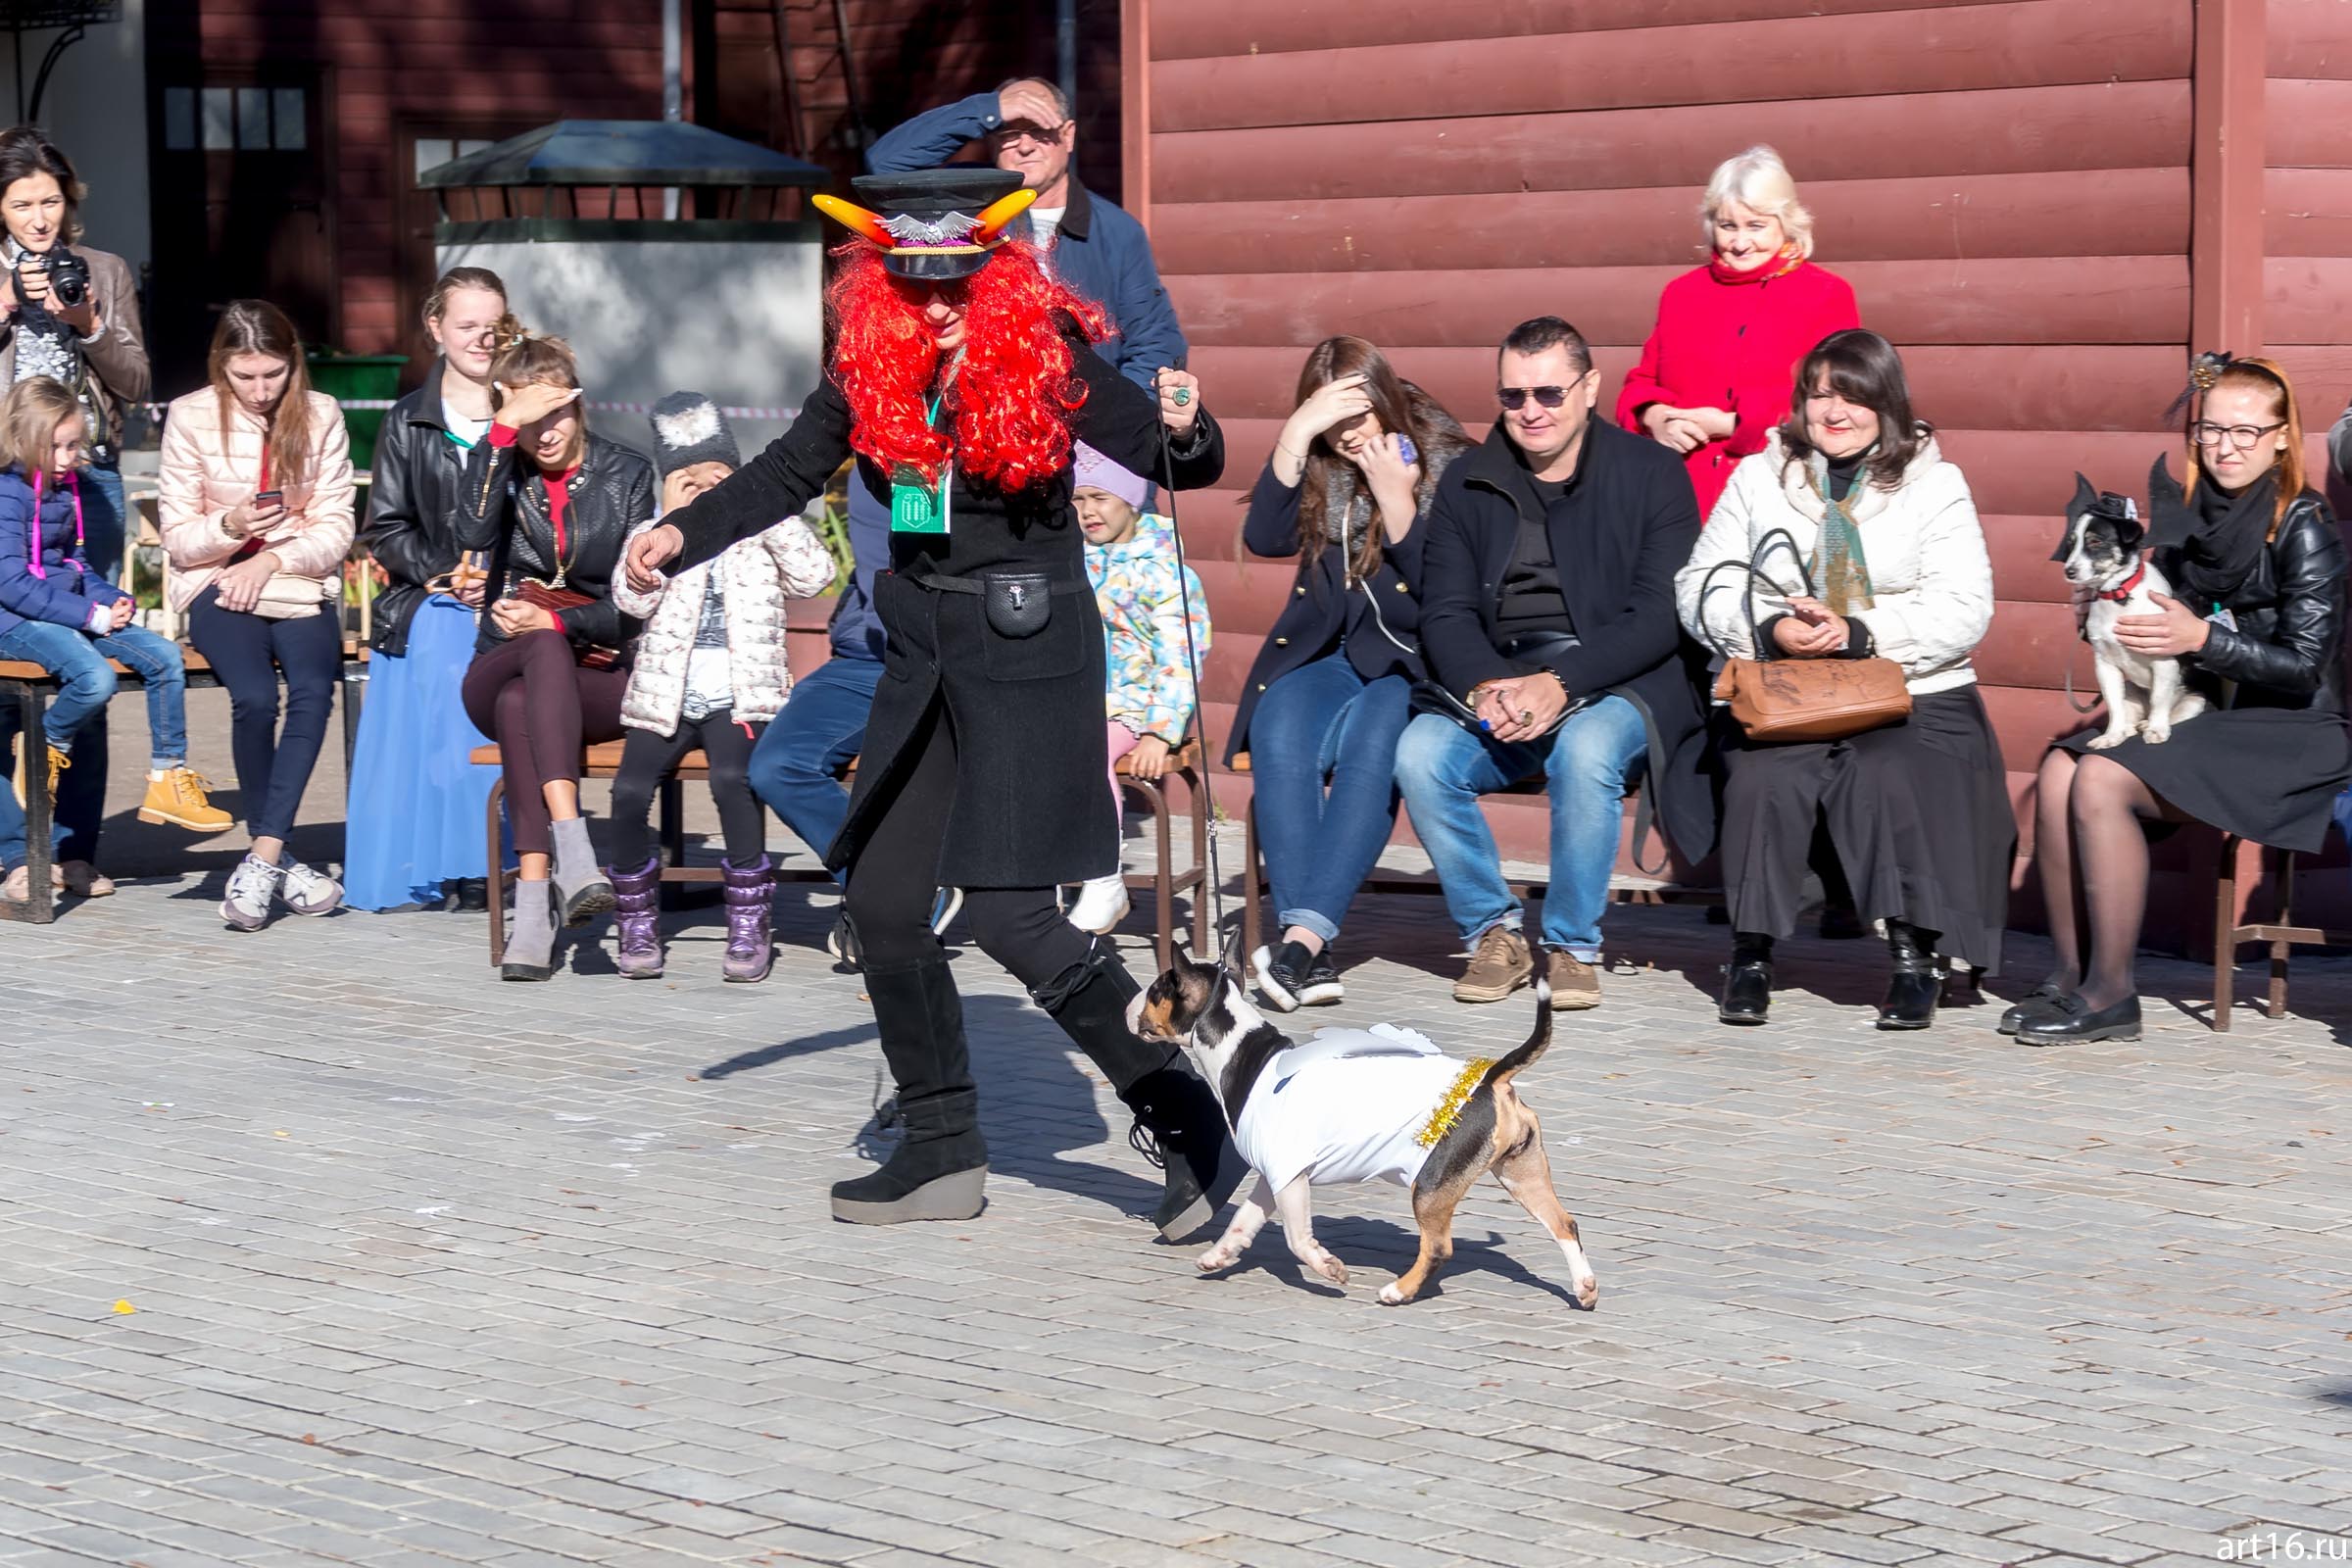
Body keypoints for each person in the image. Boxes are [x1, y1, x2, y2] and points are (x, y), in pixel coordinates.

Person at [626, 168, 1235, 1237]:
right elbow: (781, 472)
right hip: (921, 665)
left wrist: (1186, 426)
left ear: (995, 276)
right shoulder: (872, 367)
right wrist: (679, 538)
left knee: (1006, 910)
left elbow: (1176, 452)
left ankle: (1191, 1126)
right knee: (885, 903)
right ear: (884, 288)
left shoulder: (1046, 358)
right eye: (916, 286)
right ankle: (943, 1146)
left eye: (959, 282)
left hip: (1030, 659)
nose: (940, 304)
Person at [1677, 329, 2008, 1029]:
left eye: (1850, 395)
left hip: (1908, 689)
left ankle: (1916, 956)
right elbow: (1700, 583)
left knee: (1888, 771)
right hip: (1789, 690)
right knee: (1768, 777)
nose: (1831, 411)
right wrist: (1770, 630)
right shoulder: (1761, 475)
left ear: (1885, 402)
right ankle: (1752, 953)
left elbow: (1963, 606)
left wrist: (1860, 632)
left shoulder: (1934, 482)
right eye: (1818, 393)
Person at [2015, 354, 2350, 1045]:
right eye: (2211, 431)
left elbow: (2304, 664)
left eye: (2245, 433)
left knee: (2102, 778)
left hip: (2291, 730)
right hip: (2212, 711)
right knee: (2057, 772)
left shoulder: (2301, 525)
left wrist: (2200, 637)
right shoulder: (2189, 521)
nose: (2226, 447)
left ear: (2283, 436)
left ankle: (2113, 993)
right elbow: (2153, 614)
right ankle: (2070, 976)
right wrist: (2105, 608)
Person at [1395, 317, 1715, 1008]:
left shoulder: (1652, 473)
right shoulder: (1467, 483)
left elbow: (1660, 613)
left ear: (1591, 387)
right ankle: (1492, 933)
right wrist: (1488, 689)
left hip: (1619, 680)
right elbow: (1444, 610)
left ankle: (1572, 945)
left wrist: (1562, 685)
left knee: (1587, 750)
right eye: (1513, 397)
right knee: (1421, 754)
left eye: (1548, 393)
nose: (1530, 411)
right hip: (1502, 677)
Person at [1226, 336, 1470, 1010]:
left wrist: (1397, 501)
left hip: (1417, 664)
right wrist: (1295, 435)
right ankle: (1314, 953)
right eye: (1330, 421)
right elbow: (1266, 538)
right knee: (1277, 724)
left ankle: (1301, 942)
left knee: (1373, 745)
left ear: (1386, 399)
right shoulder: (1322, 460)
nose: (1348, 435)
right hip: (1336, 652)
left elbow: (1446, 594)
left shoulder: (1448, 463)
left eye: (1357, 417)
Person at [608, 392, 836, 982]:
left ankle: (748, 919)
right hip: (667, 697)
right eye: (687, 478)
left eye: (718, 475)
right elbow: (630, 600)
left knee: (734, 779)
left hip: (741, 693)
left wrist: (761, 507)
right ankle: (635, 919)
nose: (704, 488)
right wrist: (664, 523)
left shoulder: (757, 531)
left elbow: (817, 577)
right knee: (630, 790)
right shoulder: (653, 532)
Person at [456, 333, 655, 982]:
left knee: (529, 685)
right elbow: (469, 534)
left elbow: (634, 605)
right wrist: (498, 433)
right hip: (496, 665)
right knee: (527, 658)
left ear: (579, 405)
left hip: (597, 674)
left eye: (555, 415)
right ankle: (575, 849)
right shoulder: (503, 470)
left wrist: (557, 618)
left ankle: (535, 906)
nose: (544, 435)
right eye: (528, 421)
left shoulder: (627, 474)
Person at [159, 300, 356, 932]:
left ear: (292, 363)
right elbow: (177, 536)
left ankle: (264, 856)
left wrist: (270, 562)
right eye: (245, 378)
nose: (261, 391)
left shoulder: (320, 413)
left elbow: (336, 526)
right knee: (253, 699)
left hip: (296, 582)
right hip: (215, 584)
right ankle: (283, 862)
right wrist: (232, 526)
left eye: (273, 374)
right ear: (221, 367)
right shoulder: (190, 417)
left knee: (310, 692)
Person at [0, 376, 228, 901]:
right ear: (22, 437)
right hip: (18, 621)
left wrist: (111, 599)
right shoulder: (9, 492)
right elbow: (12, 582)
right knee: (94, 678)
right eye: (55, 446)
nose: (68, 457)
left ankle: (168, 775)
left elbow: (75, 564)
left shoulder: (70, 491)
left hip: (69, 613)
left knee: (164, 656)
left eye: (74, 445)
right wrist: (90, 614)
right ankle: (41, 753)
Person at [345, 267, 514, 912]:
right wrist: (444, 573)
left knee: (497, 644)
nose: (480, 339)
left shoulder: (525, 409)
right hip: (433, 593)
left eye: (491, 326)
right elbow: (384, 528)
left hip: (514, 589)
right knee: (450, 648)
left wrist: (504, 581)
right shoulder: (407, 420)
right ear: (436, 328)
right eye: (465, 325)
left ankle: (500, 853)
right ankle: (467, 856)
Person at [869, 77, 1184, 385]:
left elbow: (1155, 342)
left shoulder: (1118, 231)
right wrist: (988, 109)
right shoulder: (966, 207)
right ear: (992, 140)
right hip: (985, 417)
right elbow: (886, 165)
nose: (1025, 145)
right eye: (1009, 132)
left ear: (1068, 135)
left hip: (1090, 422)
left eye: (1039, 130)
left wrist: (1120, 423)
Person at [1617, 145, 1858, 521]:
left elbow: (1839, 400)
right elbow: (1642, 381)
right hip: (1679, 497)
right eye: (1728, 226)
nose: (1740, 242)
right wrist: (1655, 417)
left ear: (1786, 222)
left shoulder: (1827, 295)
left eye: (1756, 226)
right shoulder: (1681, 294)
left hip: (1780, 494)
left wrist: (1733, 425)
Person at [1069, 441, 1211, 934]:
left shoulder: (1165, 571)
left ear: (1131, 500)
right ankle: (1034, 881)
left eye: (1100, 499)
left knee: (1087, 753)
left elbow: (1180, 658)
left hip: (1132, 707)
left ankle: (1103, 876)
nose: (1088, 511)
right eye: (1079, 499)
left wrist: (1159, 731)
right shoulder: (1072, 561)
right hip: (1073, 699)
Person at [0, 125, 147, 583]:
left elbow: (137, 384)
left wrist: (90, 326)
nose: (40, 220)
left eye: (51, 202)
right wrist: (6, 299)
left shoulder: (104, 271)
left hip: (89, 469)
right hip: (7, 474)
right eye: (22, 206)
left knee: (98, 606)